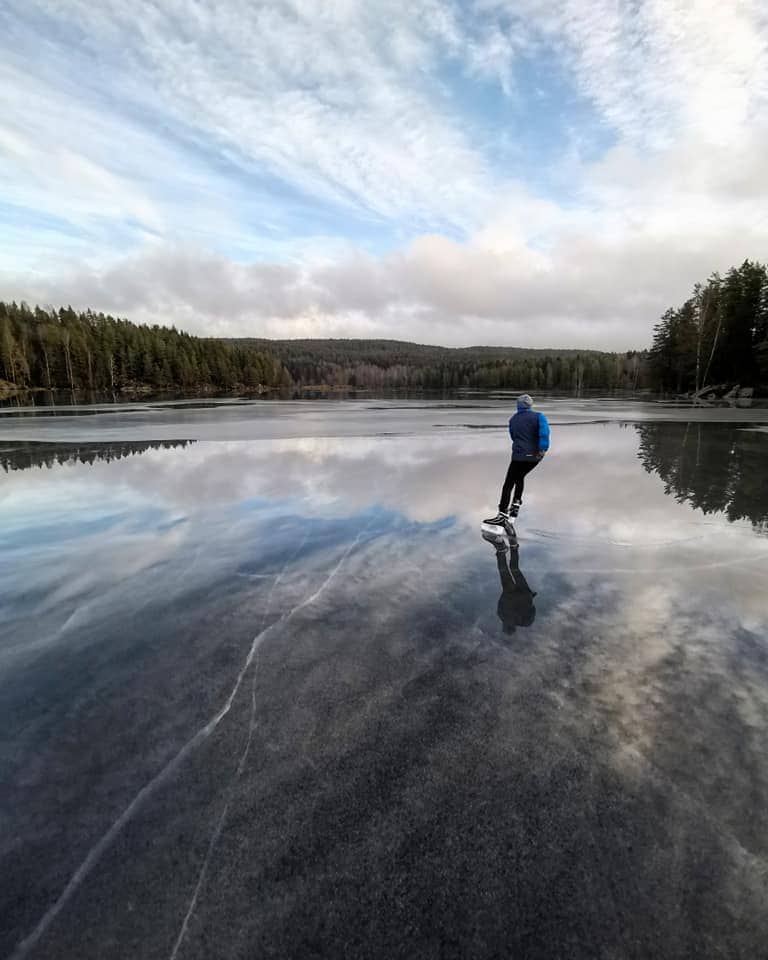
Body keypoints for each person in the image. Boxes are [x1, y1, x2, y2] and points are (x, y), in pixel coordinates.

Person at [484, 393, 549, 527]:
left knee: (509, 483)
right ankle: (516, 504)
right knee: (519, 477)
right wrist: (542, 449)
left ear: (518, 406)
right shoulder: (539, 417)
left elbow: (513, 436)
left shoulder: (513, 419)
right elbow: (544, 433)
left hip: (518, 456)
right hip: (535, 457)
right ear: (530, 405)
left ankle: (502, 515)